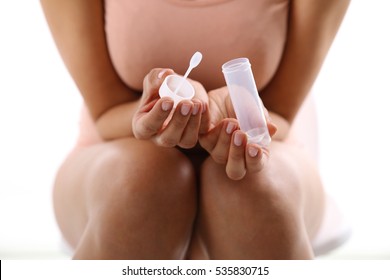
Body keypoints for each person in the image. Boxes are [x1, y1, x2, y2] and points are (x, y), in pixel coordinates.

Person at [40, 0, 350, 259]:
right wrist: (157, 111)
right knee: (142, 184)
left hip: (272, 149)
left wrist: (234, 117)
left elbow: (280, 116)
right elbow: (105, 114)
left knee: (253, 191)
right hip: (113, 146)